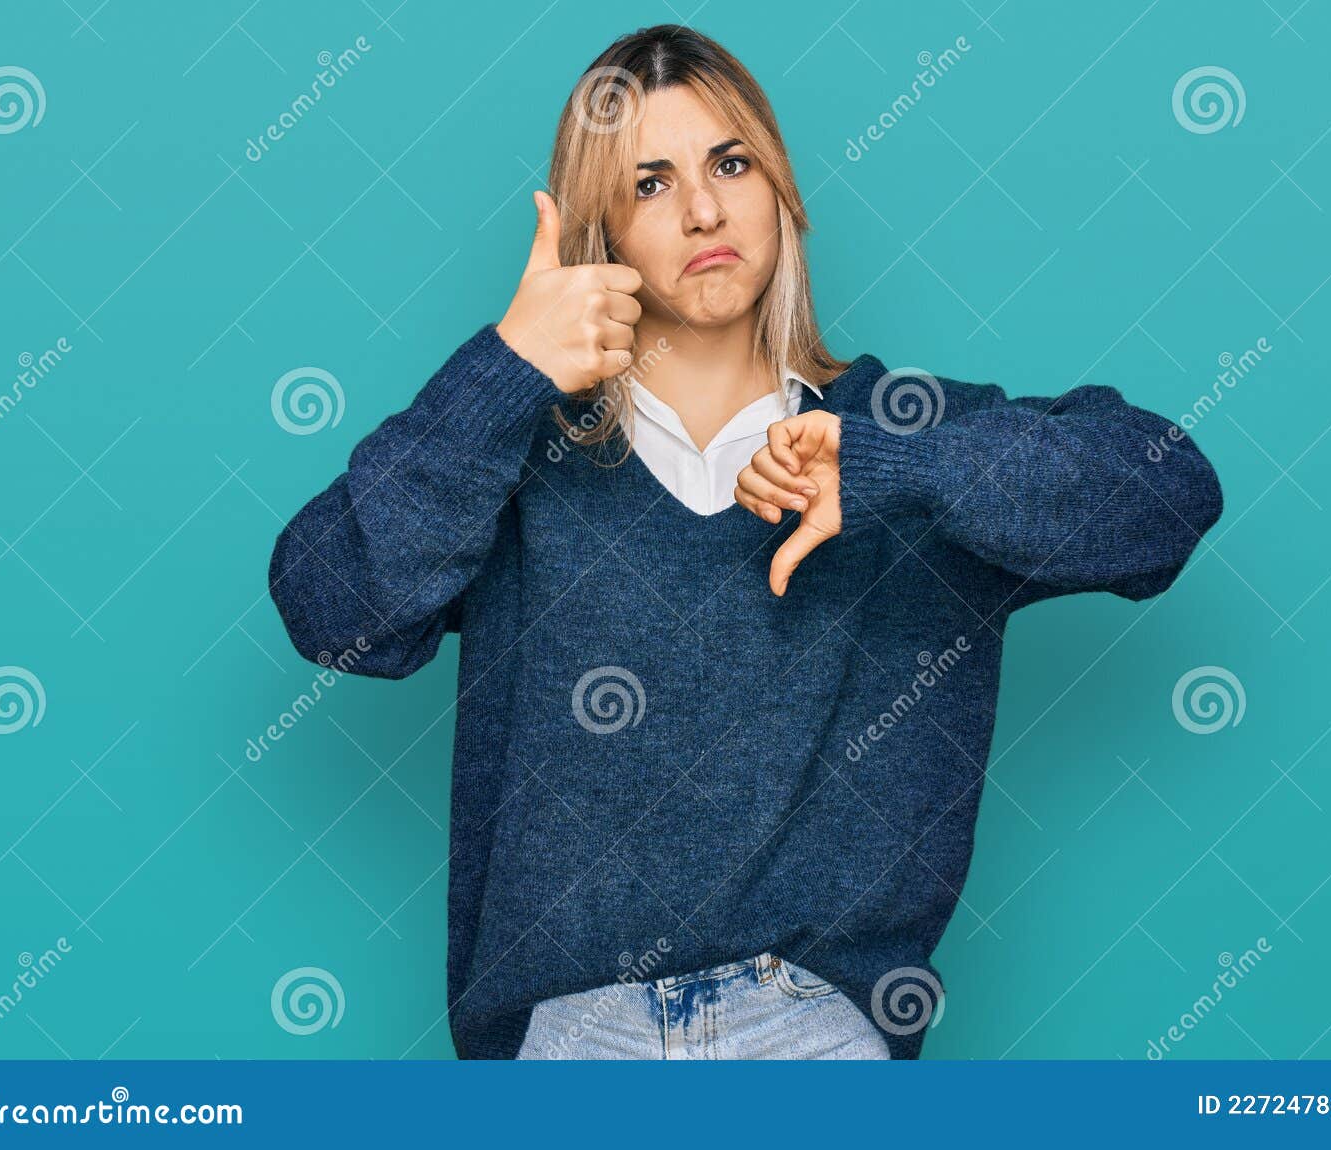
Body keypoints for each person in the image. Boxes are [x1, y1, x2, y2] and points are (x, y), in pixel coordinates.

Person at [267, 23, 1224, 1060]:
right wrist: (505, 369)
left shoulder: (897, 437)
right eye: (649, 183)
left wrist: (899, 471)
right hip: (573, 1042)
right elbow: (331, 612)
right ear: (603, 238)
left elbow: (1165, 494)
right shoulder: (514, 458)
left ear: (782, 194)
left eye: (731, 163)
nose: (704, 209)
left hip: (814, 1035)